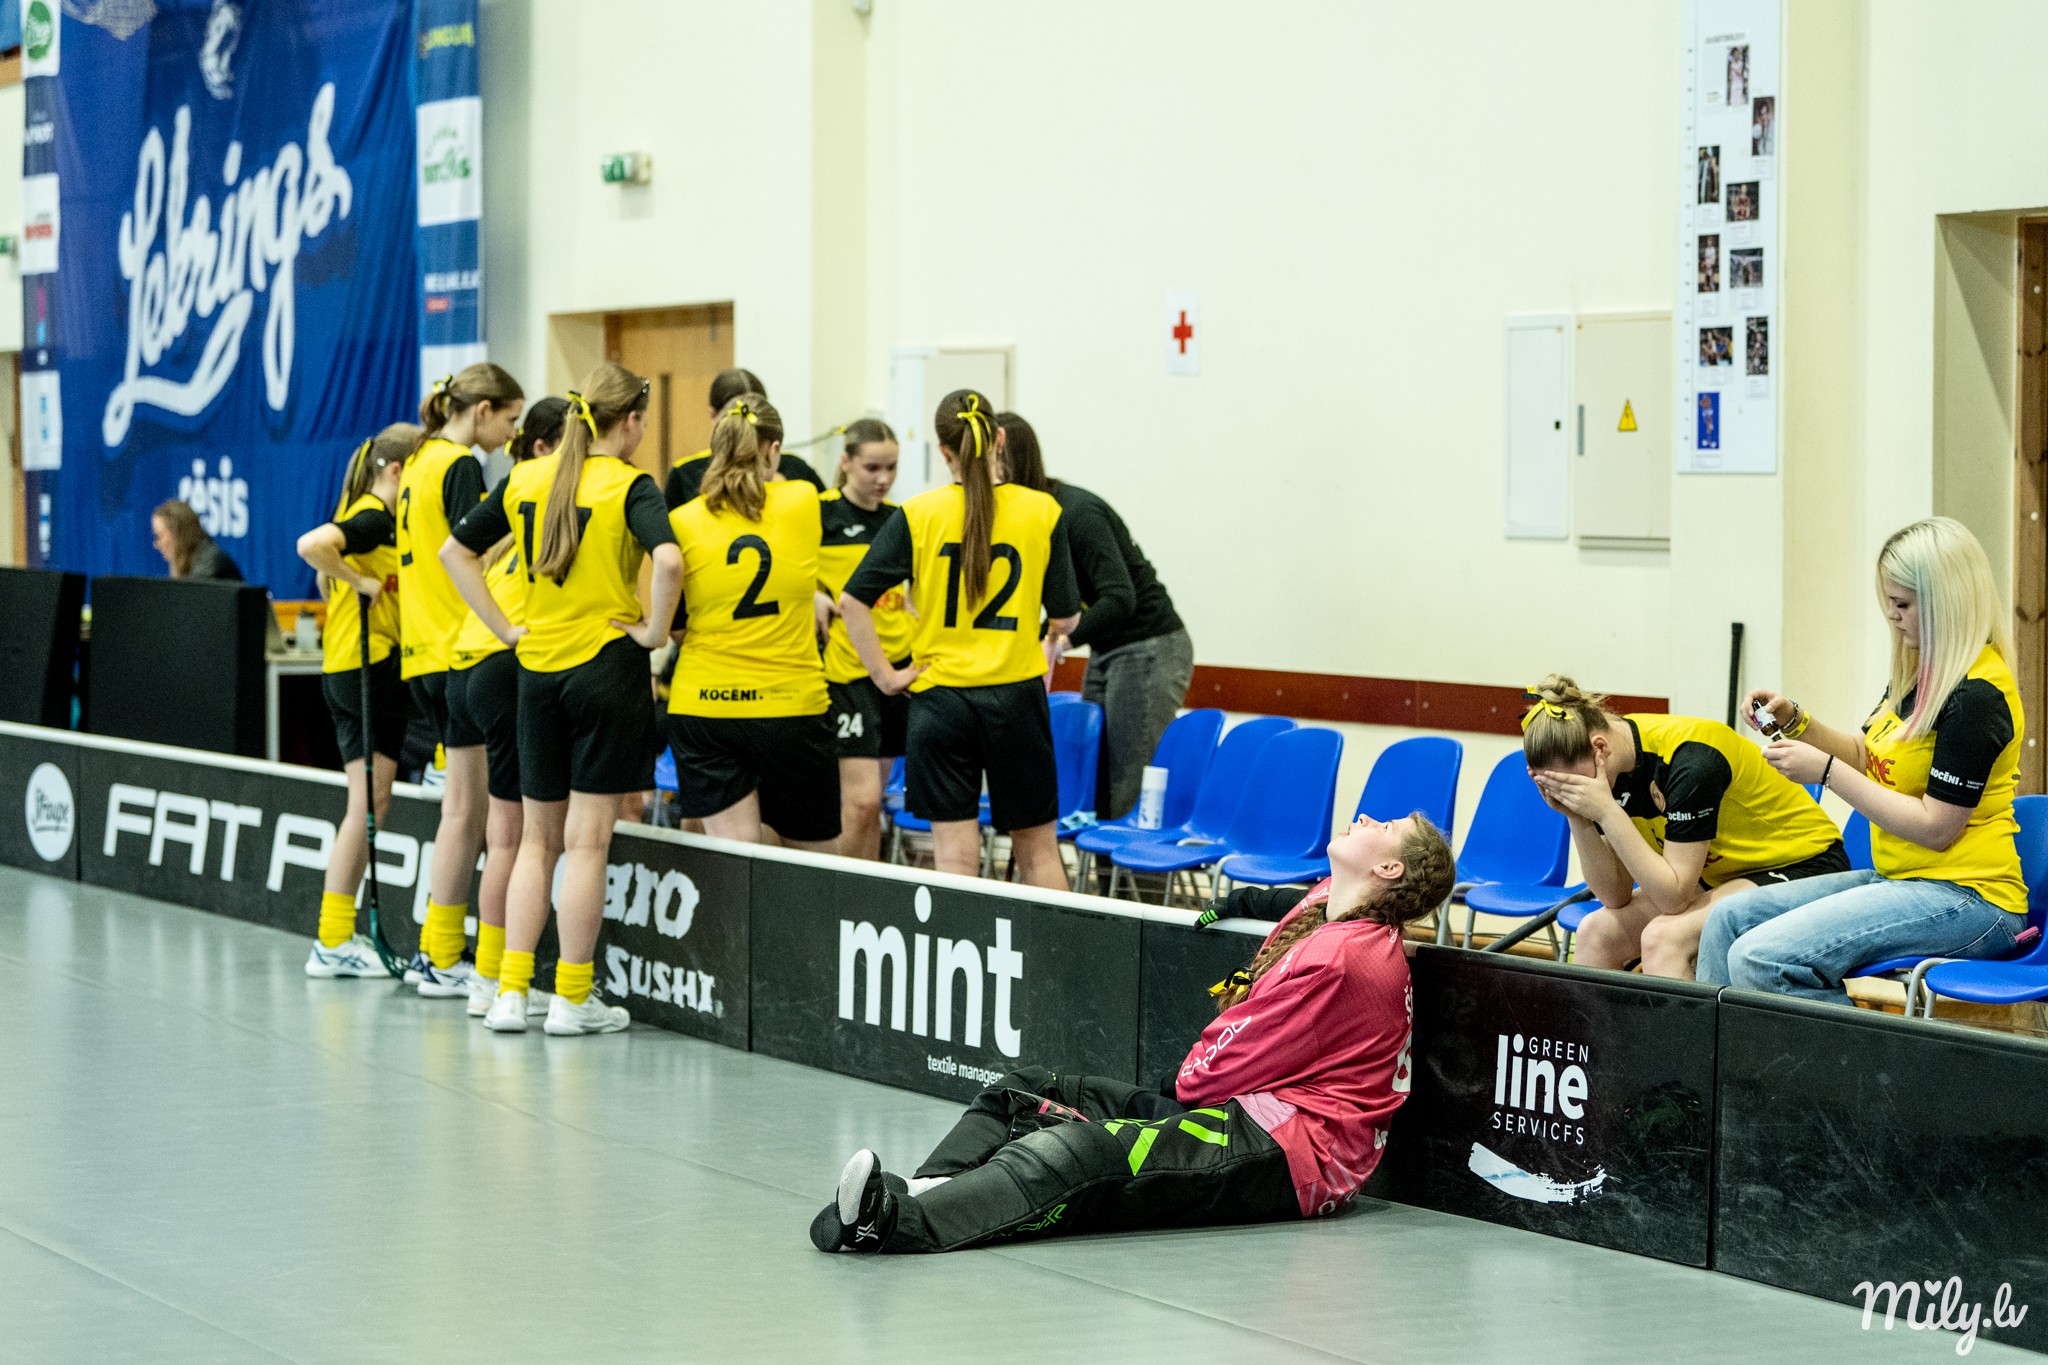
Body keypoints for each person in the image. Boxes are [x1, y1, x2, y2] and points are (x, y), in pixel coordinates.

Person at [810, 813, 1455, 1254]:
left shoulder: (1343, 959)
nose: (1366, 818)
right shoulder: (1331, 906)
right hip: (1248, 1112)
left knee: (1078, 1152)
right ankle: (913, 1191)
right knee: (1023, 1092)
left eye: (1385, 827)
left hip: (1291, 1152)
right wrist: (1238, 903)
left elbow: (1209, 1074)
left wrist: (1183, 1084)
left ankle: (897, 1224)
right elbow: (1291, 908)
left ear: (1388, 870)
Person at [441, 363, 681, 1037]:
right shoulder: (630, 484)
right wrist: (654, 633)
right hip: (606, 668)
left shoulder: (525, 477)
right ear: (630, 421)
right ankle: (573, 998)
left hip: (536, 672)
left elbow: (455, 552)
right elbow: (668, 561)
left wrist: (504, 628)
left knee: (535, 841)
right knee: (587, 843)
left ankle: (510, 992)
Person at [1699, 518, 2029, 1002]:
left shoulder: (1977, 696)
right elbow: (1866, 753)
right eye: (1889, 603)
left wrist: (1826, 774)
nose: (1891, 616)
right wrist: (1795, 720)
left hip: (1972, 899)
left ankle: (1845, 1056)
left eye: (1903, 605)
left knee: (1761, 958)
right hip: (1905, 880)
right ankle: (1723, 1053)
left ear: (1946, 602)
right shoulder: (1924, 671)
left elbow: (1936, 828)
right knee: (1726, 919)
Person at [839, 390, 1081, 889]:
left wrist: (885, 677)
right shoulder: (1043, 511)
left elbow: (851, 601)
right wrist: (1052, 632)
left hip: (940, 700)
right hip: (1015, 697)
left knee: (954, 860)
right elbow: (1067, 617)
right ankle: (1056, 946)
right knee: (1038, 853)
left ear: (943, 450)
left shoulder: (917, 513)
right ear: (999, 438)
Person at [1520, 675, 1847, 978]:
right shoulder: (1608, 766)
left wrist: (1606, 812)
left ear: (1600, 749)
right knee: (1596, 932)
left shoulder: (1691, 760)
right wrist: (1578, 818)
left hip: (1806, 866)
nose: (1574, 794)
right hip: (1722, 875)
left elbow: (1673, 898)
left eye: (1572, 786)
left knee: (1664, 939)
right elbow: (1614, 895)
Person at [398, 363, 526, 997]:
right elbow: (470, 551)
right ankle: (456, 957)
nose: (511, 434)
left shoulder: (417, 460)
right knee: (474, 816)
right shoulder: (460, 467)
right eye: (509, 420)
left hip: (421, 651)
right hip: (459, 648)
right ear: (481, 411)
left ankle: (439, 950)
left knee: (459, 812)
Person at [997, 412, 1193, 824]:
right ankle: (1101, 865)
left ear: (1007, 462)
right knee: (1094, 778)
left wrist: (1061, 638)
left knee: (1128, 782)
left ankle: (1129, 866)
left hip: (1148, 645)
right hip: (1109, 647)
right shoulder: (1031, 515)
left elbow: (1120, 597)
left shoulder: (1077, 512)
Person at [664, 395, 838, 850]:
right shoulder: (802, 499)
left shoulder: (682, 520)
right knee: (813, 864)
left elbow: (676, 626)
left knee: (737, 858)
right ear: (773, 450)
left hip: (705, 705)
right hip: (790, 706)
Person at [446, 397, 568, 1017]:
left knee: (494, 830)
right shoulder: (552, 502)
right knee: (513, 838)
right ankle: (495, 979)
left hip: (465, 664)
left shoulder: (513, 506)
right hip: (503, 662)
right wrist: (510, 632)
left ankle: (482, 974)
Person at [292, 424, 418, 977]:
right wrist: (360, 583)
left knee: (371, 804)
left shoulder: (378, 518)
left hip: (358, 668)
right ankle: (332, 939)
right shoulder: (372, 517)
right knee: (367, 806)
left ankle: (334, 937)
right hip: (368, 668)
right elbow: (311, 545)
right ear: (396, 471)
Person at [815, 420, 915, 859]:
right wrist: (811, 596)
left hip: (898, 671)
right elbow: (781, 566)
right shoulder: (820, 513)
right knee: (861, 803)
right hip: (848, 673)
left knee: (875, 805)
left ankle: (866, 892)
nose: (883, 478)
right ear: (845, 462)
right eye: (872, 467)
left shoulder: (899, 519)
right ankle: (843, 892)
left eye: (891, 467)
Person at [664, 368, 825, 509]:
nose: (745, 427)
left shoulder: (797, 470)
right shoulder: (684, 475)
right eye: (735, 415)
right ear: (713, 415)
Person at [151, 500, 242, 581]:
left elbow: (187, 594)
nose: (156, 545)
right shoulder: (184, 561)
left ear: (178, 534)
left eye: (158, 536)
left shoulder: (208, 562)